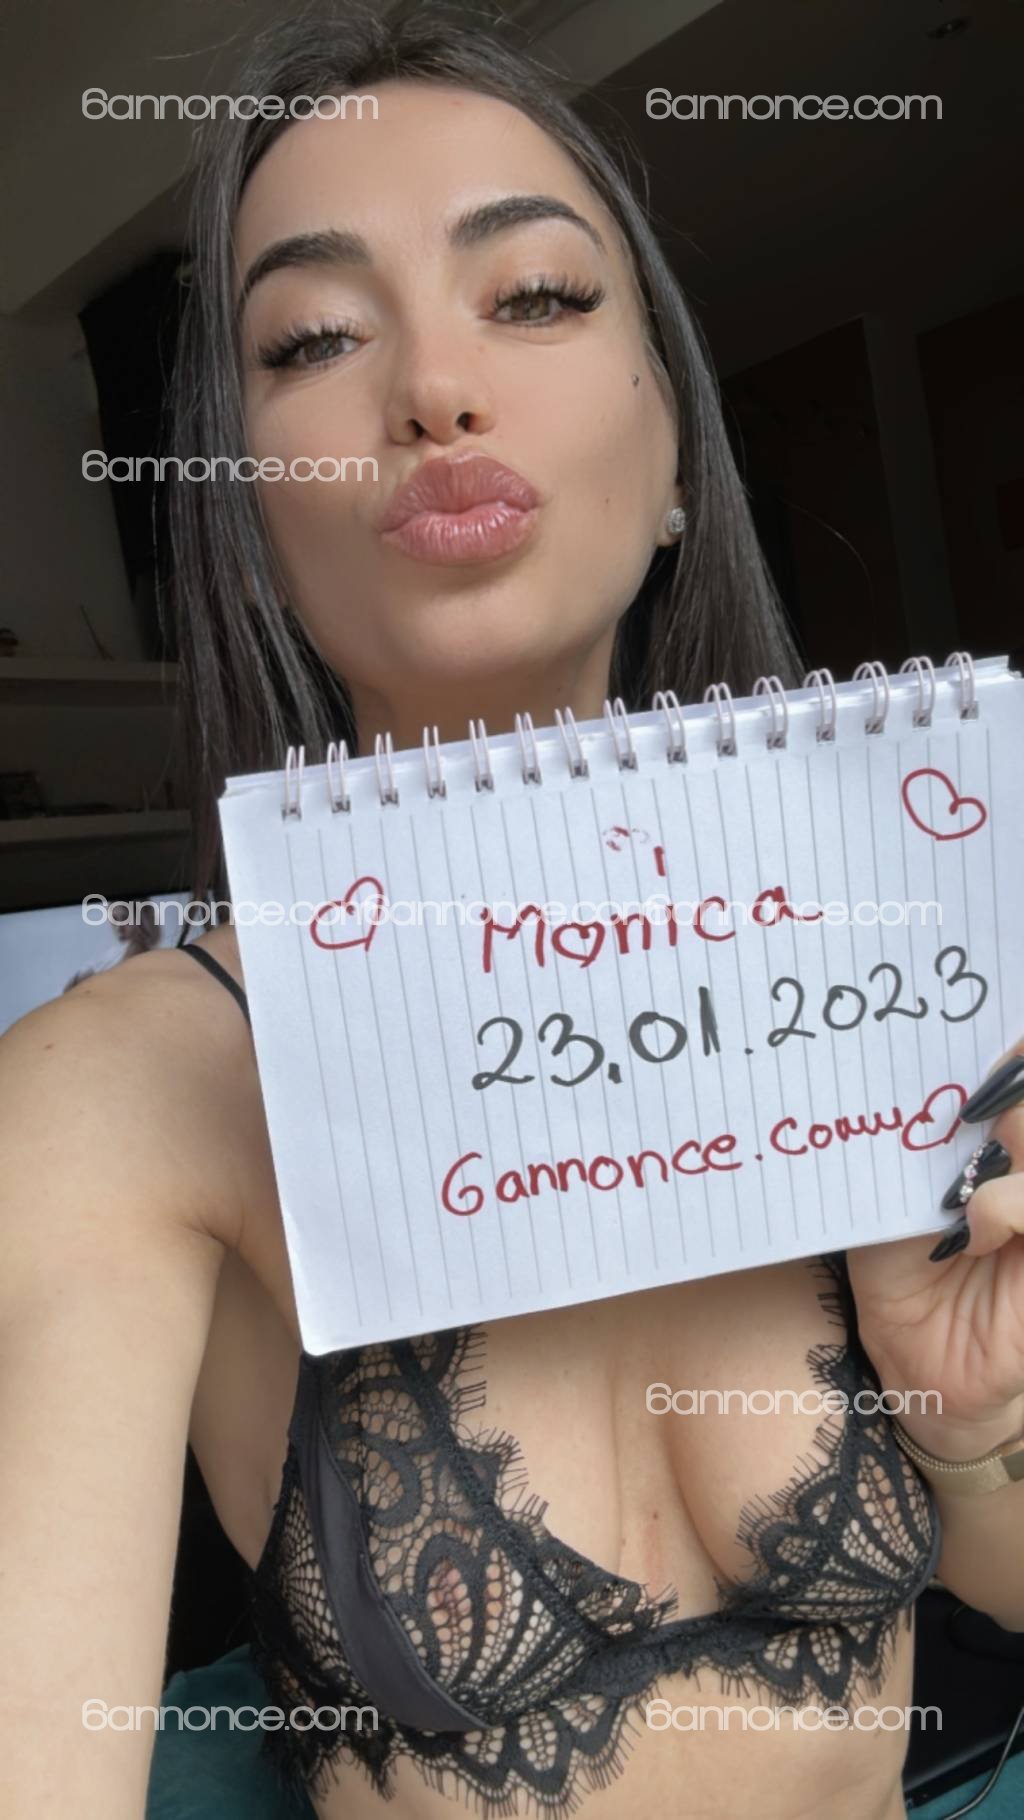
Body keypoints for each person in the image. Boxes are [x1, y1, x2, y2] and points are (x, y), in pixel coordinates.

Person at [2, 9, 1023, 1820]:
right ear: (249, 518)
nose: (432, 389)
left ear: (679, 453)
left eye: (536, 296)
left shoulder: (893, 956)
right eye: (315, 339)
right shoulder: (118, 1090)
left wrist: (967, 1427)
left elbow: (1006, 1595)